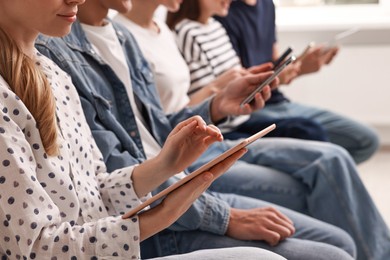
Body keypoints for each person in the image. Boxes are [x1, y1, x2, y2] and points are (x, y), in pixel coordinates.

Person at [35, 0, 390, 260]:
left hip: (181, 186)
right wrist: (224, 217)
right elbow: (117, 178)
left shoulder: (123, 39)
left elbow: (157, 131)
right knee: (334, 242)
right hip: (151, 218)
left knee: (339, 231)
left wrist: (216, 106)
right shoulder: (55, 53)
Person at [0, 0, 290, 259]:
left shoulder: (54, 74)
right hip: (128, 238)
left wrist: (165, 165)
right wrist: (166, 212)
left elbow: (97, 188)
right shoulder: (16, 92)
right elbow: (38, 248)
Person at [114, 0, 329, 142]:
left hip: (222, 120)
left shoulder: (167, 32)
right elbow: (157, 123)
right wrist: (219, 88)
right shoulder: (138, 37)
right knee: (312, 136)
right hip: (213, 130)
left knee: (316, 137)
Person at [213, 0, 380, 164]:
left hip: (279, 101)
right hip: (251, 110)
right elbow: (236, 86)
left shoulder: (266, 5)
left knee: (366, 141)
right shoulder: (222, 10)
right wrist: (279, 76)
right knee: (316, 141)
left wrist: (303, 66)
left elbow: (274, 64)